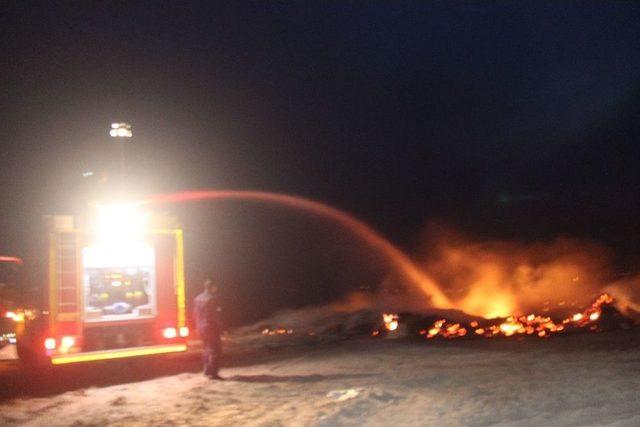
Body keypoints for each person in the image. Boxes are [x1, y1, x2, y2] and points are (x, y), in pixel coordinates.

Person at [194, 278, 223, 379]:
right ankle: (214, 373)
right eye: (215, 287)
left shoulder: (197, 298)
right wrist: (219, 326)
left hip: (200, 327)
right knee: (215, 350)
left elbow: (196, 313)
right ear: (213, 287)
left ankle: (207, 370)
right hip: (210, 327)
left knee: (206, 348)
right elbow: (213, 315)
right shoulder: (212, 299)